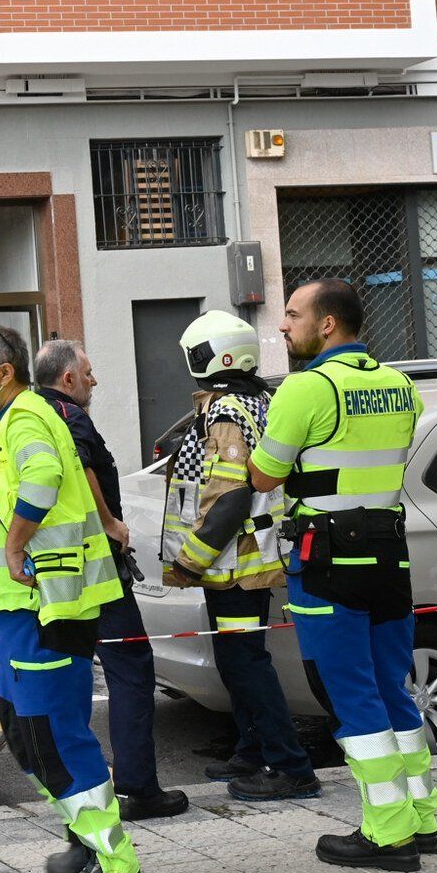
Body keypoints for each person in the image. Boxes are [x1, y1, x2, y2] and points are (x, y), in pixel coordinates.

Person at [247, 279, 434, 871]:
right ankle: (420, 819)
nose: (283, 325)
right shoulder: (400, 385)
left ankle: (386, 834)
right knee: (392, 689)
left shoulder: (306, 389)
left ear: (327, 324)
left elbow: (263, 476)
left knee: (352, 696)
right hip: (388, 556)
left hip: (326, 559)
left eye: (293, 314)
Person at [0, 324, 143, 873]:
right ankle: (83, 836)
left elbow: (43, 480)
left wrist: (14, 546)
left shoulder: (27, 417)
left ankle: (117, 868)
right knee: (20, 730)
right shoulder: (1, 422)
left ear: (2, 372)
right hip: (16, 608)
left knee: (56, 736)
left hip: (48, 603)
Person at [159, 310, 319, 803]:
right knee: (238, 659)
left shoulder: (227, 412)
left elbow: (228, 499)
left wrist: (190, 560)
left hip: (234, 567)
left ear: (214, 356)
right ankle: (251, 751)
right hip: (246, 563)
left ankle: (290, 766)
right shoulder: (258, 400)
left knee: (246, 662)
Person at [31, 339, 188, 822]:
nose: (94, 381)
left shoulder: (30, 413)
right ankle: (138, 787)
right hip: (95, 567)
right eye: (89, 372)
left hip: (57, 572)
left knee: (68, 675)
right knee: (131, 666)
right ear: (68, 378)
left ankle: (76, 786)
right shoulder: (69, 416)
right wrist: (110, 524)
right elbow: (81, 467)